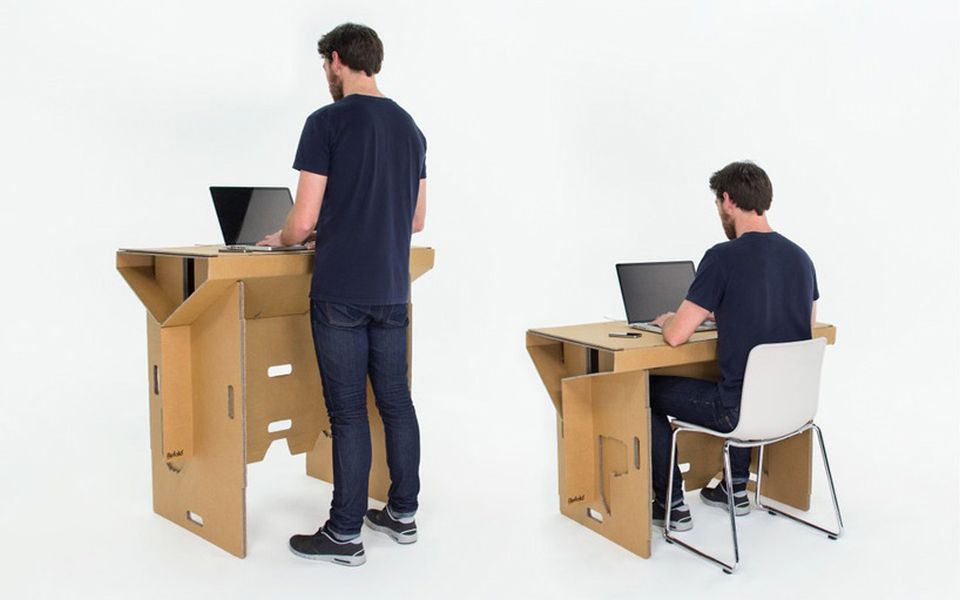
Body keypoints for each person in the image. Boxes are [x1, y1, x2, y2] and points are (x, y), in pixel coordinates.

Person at [259, 22, 427, 566]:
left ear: (335, 61)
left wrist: (286, 237)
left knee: (349, 412)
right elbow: (417, 220)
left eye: (325, 67)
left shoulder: (325, 121)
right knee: (397, 403)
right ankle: (403, 514)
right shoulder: (410, 128)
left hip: (341, 292)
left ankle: (344, 533)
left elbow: (303, 216)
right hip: (393, 291)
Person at [647, 161, 818, 532]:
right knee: (747, 383)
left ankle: (671, 504)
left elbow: (677, 336)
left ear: (727, 201)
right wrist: (729, 315)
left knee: (642, 391)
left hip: (737, 415)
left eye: (717, 205)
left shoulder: (722, 257)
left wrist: (667, 322)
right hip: (788, 410)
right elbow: (805, 329)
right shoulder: (802, 259)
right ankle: (734, 488)